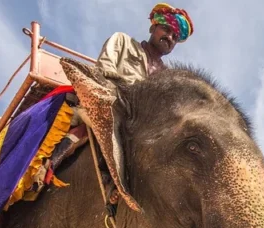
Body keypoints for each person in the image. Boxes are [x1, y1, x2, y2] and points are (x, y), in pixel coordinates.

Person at [44, 3, 194, 175]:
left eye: (175, 37)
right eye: (166, 30)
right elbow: (103, 73)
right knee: (103, 121)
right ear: (153, 27)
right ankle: (49, 166)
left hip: (140, 124)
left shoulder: (167, 76)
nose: (169, 38)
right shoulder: (122, 41)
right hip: (110, 102)